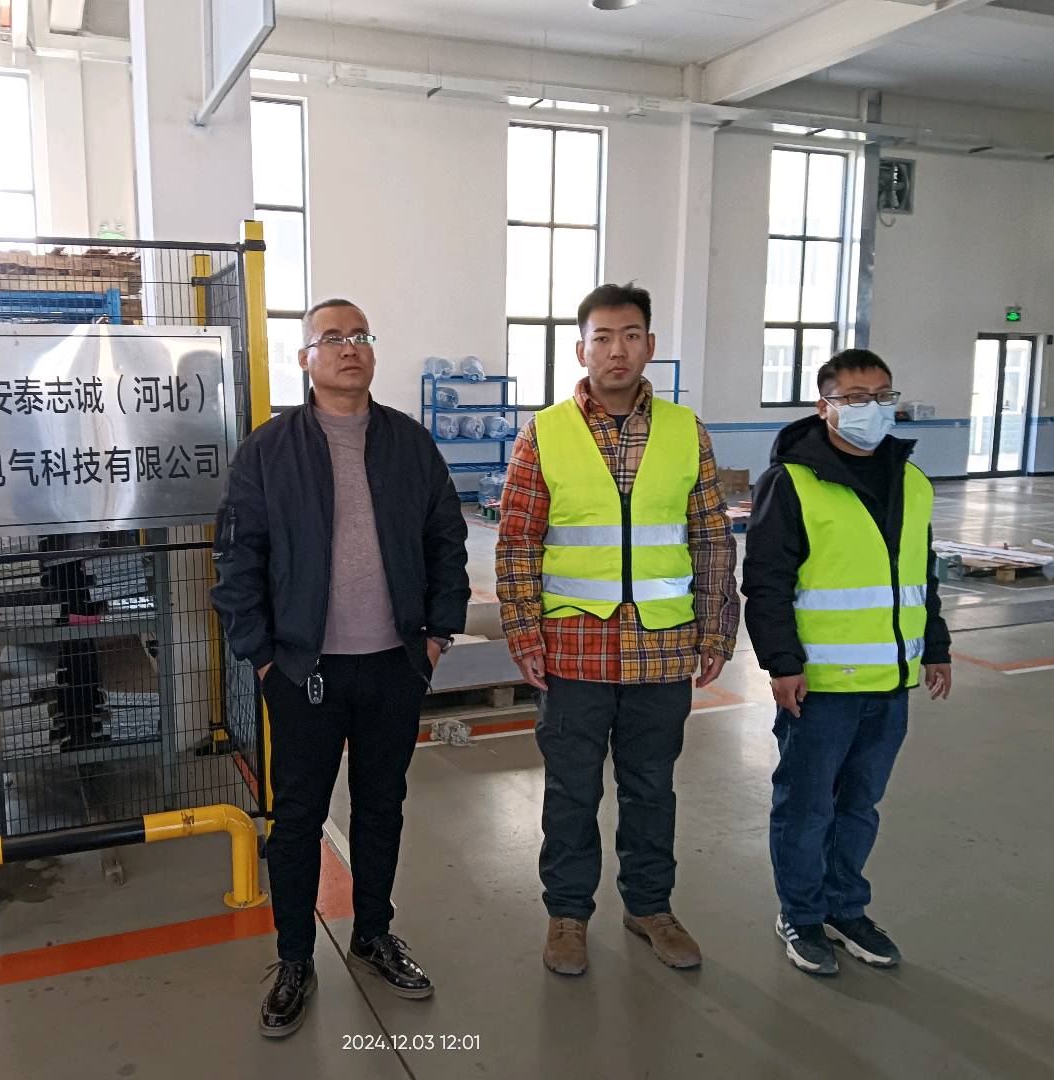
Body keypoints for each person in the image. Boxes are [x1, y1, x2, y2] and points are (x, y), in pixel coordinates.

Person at [210, 298, 470, 1037]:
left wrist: (436, 638)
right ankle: (295, 958)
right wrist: (265, 659)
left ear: (372, 352)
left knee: (382, 807)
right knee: (297, 820)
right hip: (304, 672)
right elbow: (237, 558)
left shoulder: (409, 443)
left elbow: (446, 540)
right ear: (305, 358)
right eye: (331, 338)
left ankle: (373, 933)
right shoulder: (269, 450)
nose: (348, 347)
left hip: (394, 664)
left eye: (360, 336)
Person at [496, 282, 739, 977]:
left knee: (651, 788)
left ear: (650, 346)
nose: (616, 350)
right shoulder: (544, 432)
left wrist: (716, 629)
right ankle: (568, 915)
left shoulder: (686, 432)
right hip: (574, 650)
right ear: (581, 350)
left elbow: (711, 538)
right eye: (602, 337)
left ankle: (650, 907)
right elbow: (517, 541)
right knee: (571, 792)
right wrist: (524, 634)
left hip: (661, 649)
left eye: (630, 336)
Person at [742, 348, 952, 977]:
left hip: (891, 682)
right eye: (857, 398)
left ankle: (844, 907)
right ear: (825, 406)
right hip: (820, 685)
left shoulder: (912, 481)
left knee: (860, 805)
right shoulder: (792, 482)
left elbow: (921, 575)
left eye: (883, 396)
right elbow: (767, 583)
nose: (873, 408)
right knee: (807, 808)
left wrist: (935, 646)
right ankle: (801, 914)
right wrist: (782, 664)